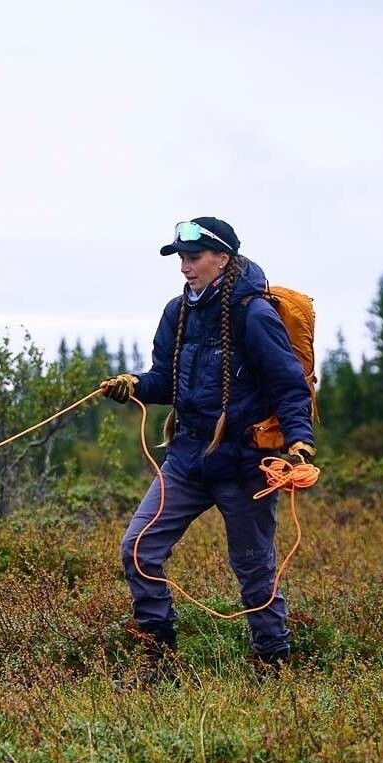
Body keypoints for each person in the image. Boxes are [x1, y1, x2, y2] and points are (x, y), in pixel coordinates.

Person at [100, 217, 315, 679]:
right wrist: (134, 384)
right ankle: (159, 658)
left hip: (245, 465)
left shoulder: (254, 314)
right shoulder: (177, 313)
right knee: (137, 548)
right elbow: (166, 380)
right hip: (187, 460)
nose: (184, 267)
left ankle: (272, 662)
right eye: (180, 258)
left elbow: (289, 385)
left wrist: (299, 444)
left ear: (223, 259)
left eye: (193, 257)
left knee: (255, 570)